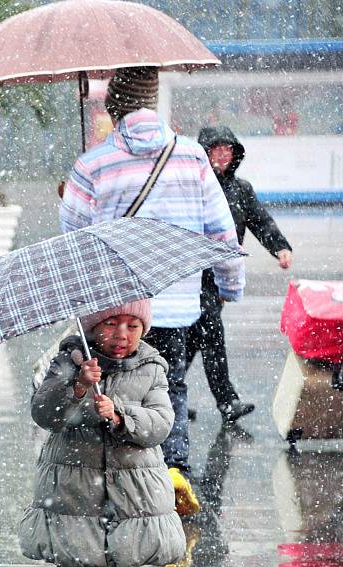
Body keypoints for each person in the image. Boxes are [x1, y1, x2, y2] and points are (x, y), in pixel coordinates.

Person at [60, 67, 245, 517]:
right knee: (168, 387)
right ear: (154, 104)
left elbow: (72, 241)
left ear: (114, 108)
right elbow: (221, 232)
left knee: (116, 389)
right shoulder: (192, 156)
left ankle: (119, 481)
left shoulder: (93, 163)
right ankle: (174, 467)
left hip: (114, 308)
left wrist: (72, 190)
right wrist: (228, 284)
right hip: (175, 303)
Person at [18, 300, 187, 567]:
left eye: (132, 325)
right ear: (94, 327)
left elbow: (160, 423)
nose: (122, 334)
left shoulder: (152, 367)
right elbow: (43, 413)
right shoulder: (68, 359)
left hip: (130, 496)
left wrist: (121, 414)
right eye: (112, 324)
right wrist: (77, 386)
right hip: (73, 492)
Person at [184, 125, 294, 424]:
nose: (222, 154)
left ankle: (170, 399)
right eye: (215, 149)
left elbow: (261, 221)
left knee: (194, 339)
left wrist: (280, 248)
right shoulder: (192, 185)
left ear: (235, 154)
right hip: (193, 275)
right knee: (211, 335)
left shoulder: (241, 189)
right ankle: (227, 402)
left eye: (227, 149)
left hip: (220, 278)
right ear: (204, 153)